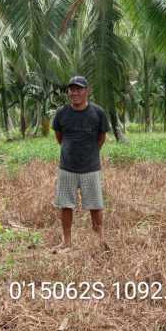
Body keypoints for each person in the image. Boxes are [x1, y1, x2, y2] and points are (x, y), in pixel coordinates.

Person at [52, 76, 109, 252]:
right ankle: (66, 241)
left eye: (79, 89)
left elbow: (101, 138)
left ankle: (99, 241)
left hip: (90, 168)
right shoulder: (62, 113)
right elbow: (60, 138)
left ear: (87, 91)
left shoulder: (98, 113)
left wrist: (90, 153)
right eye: (72, 89)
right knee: (66, 204)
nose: (74, 92)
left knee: (95, 205)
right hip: (67, 167)